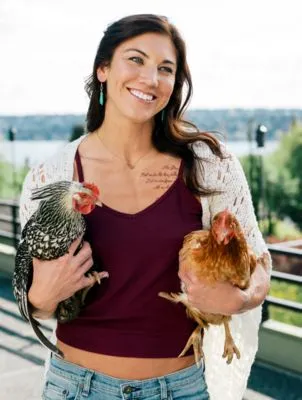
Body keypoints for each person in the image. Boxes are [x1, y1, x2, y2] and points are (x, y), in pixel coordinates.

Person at [19, 14, 271, 400]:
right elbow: (32, 300)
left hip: (181, 389)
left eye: (165, 69)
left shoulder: (211, 166)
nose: (151, 79)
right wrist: (41, 297)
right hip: (75, 388)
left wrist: (240, 299)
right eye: (135, 60)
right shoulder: (51, 176)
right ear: (103, 69)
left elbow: (259, 265)